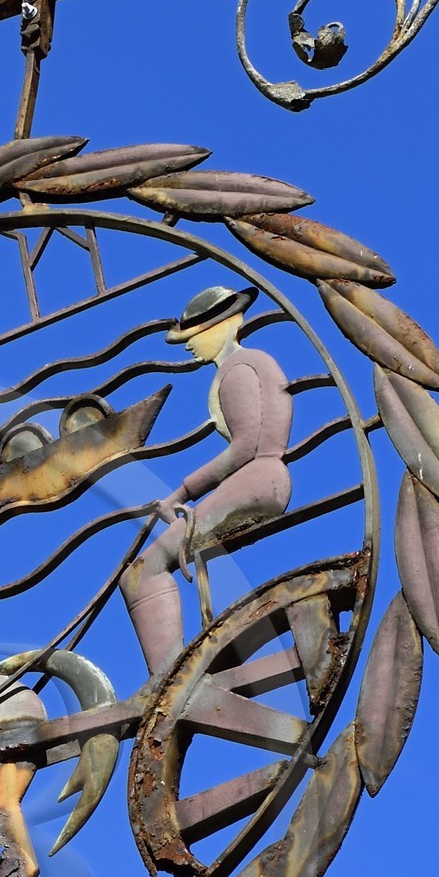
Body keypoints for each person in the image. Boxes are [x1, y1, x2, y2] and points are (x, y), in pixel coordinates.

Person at [121, 284, 293, 675]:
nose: (187, 347)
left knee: (142, 571)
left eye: (193, 336)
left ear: (221, 326)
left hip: (257, 480)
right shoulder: (254, 363)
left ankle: (166, 679)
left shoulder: (239, 369)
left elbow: (247, 444)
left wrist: (181, 491)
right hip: (263, 479)